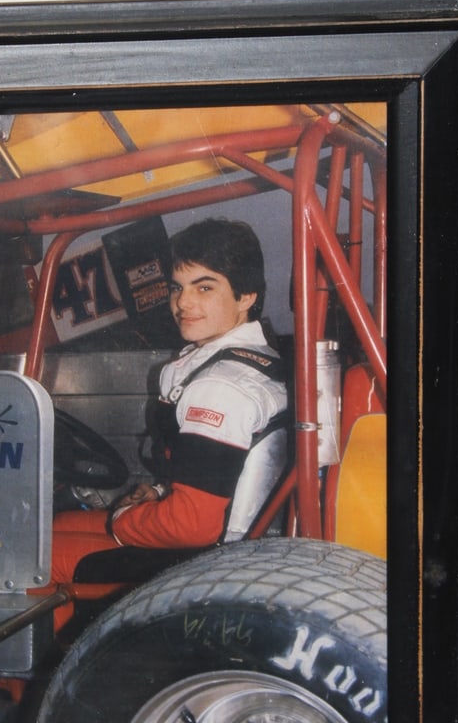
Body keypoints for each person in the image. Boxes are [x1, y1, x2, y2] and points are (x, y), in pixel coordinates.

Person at [49, 217, 289, 586]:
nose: (183, 303)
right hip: (227, 539)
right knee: (57, 527)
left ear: (246, 296)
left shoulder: (220, 387)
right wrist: (160, 492)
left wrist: (121, 520)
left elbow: (191, 524)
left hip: (202, 559)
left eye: (204, 288)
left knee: (28, 561)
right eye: (177, 288)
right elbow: (219, 473)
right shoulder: (252, 357)